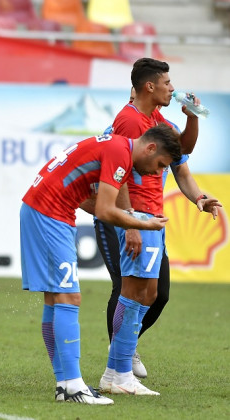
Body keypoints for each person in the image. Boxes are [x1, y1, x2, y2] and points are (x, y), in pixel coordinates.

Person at [20, 125, 182, 405]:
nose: (156, 173)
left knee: (55, 299)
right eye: (159, 165)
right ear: (150, 148)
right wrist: (142, 222)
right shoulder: (120, 152)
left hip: (42, 209)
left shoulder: (115, 147)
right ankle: (72, 386)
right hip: (49, 214)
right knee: (68, 297)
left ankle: (65, 384)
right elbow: (106, 211)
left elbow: (86, 199)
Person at [95, 59, 222, 395]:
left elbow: (182, 162)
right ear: (149, 86)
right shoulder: (128, 119)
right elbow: (118, 170)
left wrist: (199, 198)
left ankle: (122, 354)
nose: (171, 86)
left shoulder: (157, 121)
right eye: (167, 81)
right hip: (127, 217)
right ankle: (118, 367)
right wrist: (131, 222)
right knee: (129, 289)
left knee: (156, 294)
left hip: (151, 218)